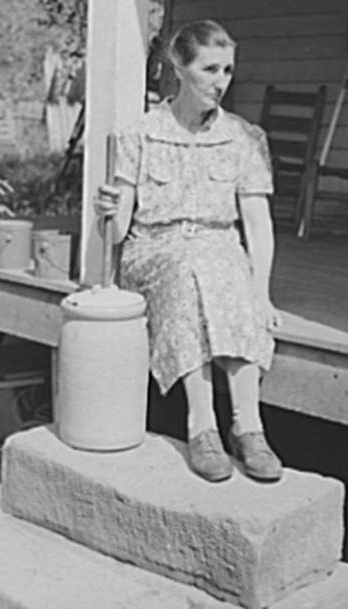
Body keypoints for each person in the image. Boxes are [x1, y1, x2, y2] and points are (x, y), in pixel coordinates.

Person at [94, 20, 282, 483]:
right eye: (210, 69)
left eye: (228, 70)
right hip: (155, 251)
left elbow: (258, 224)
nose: (221, 81)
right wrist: (108, 210)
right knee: (188, 268)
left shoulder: (244, 138)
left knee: (223, 267)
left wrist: (262, 293)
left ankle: (249, 427)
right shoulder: (140, 135)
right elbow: (119, 234)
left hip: (218, 250)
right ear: (179, 67)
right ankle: (203, 425)